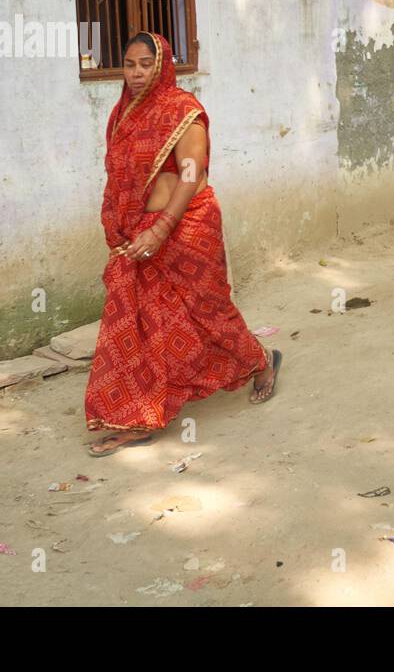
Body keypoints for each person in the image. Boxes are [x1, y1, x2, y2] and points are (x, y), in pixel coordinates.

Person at [85, 32, 280, 456]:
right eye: (130, 63)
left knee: (207, 311)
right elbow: (117, 175)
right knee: (136, 320)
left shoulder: (183, 111)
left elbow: (191, 176)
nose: (136, 73)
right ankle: (138, 414)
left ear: (163, 64)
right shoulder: (122, 115)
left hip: (187, 225)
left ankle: (261, 361)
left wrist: (161, 229)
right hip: (139, 231)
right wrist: (121, 223)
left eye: (145, 64)